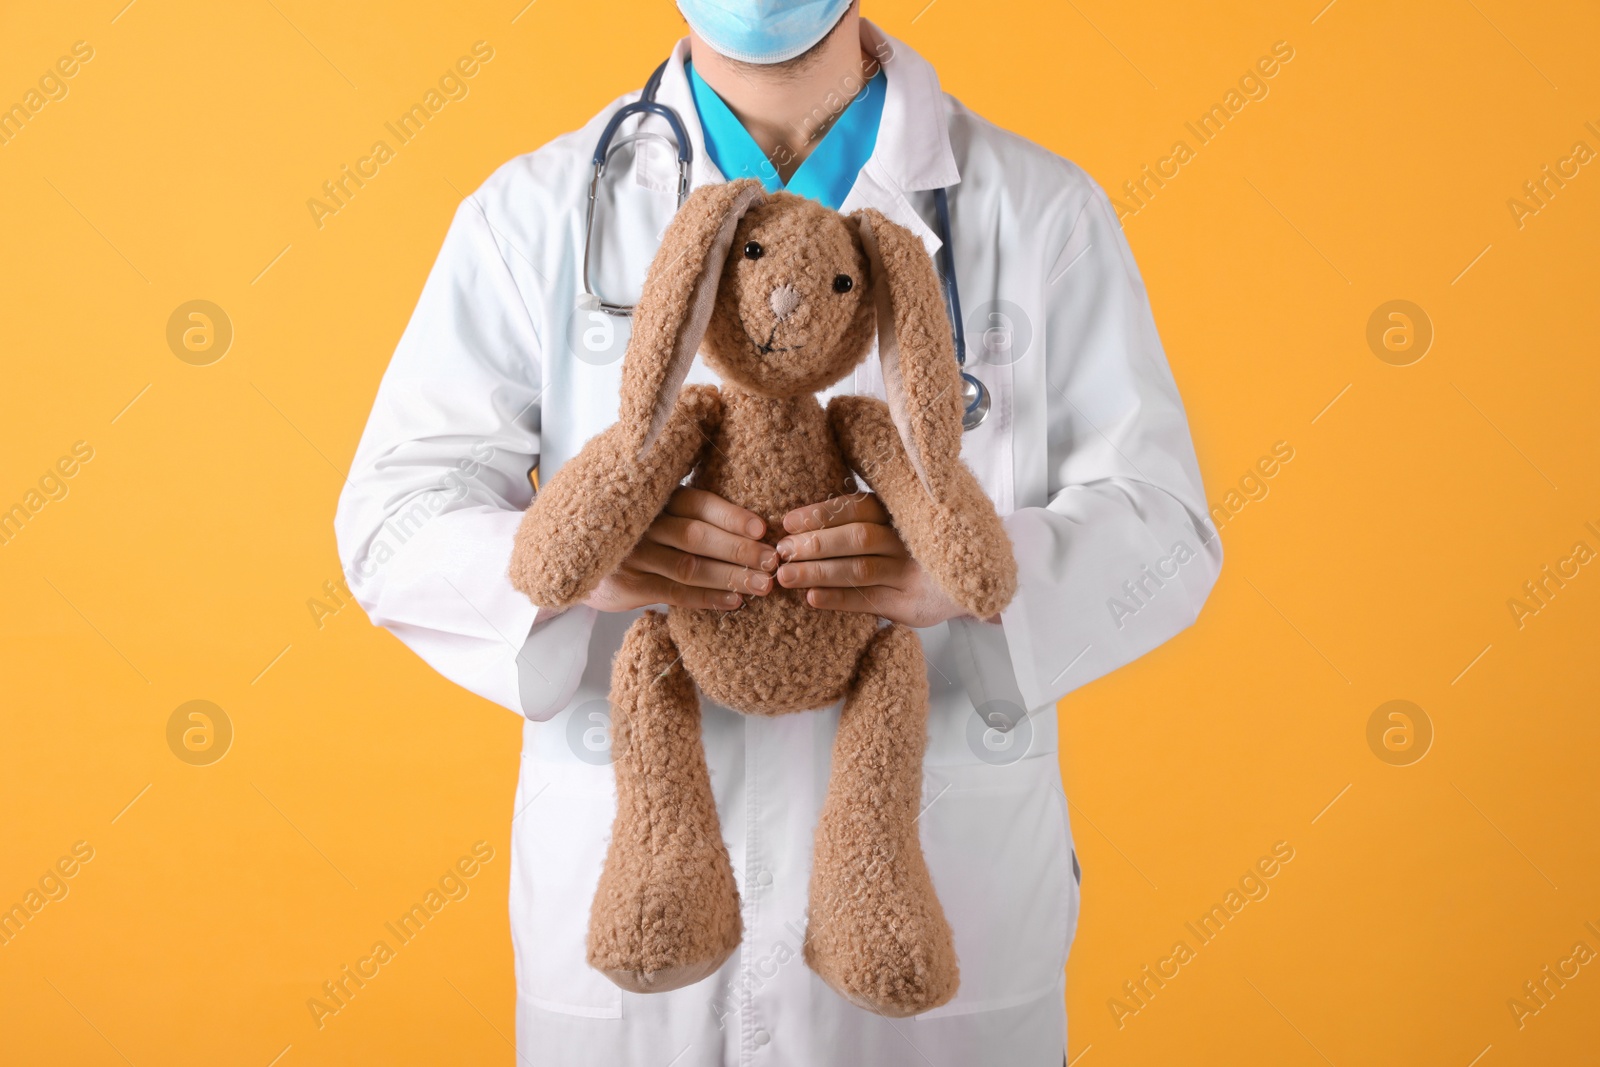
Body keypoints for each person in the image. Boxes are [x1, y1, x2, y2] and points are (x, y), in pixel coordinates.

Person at [333, 2, 1221, 1063]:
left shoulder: (1038, 211)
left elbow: (1167, 529)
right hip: (637, 987)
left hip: (944, 947)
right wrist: (585, 566)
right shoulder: (536, 212)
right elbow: (390, 522)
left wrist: (970, 568)